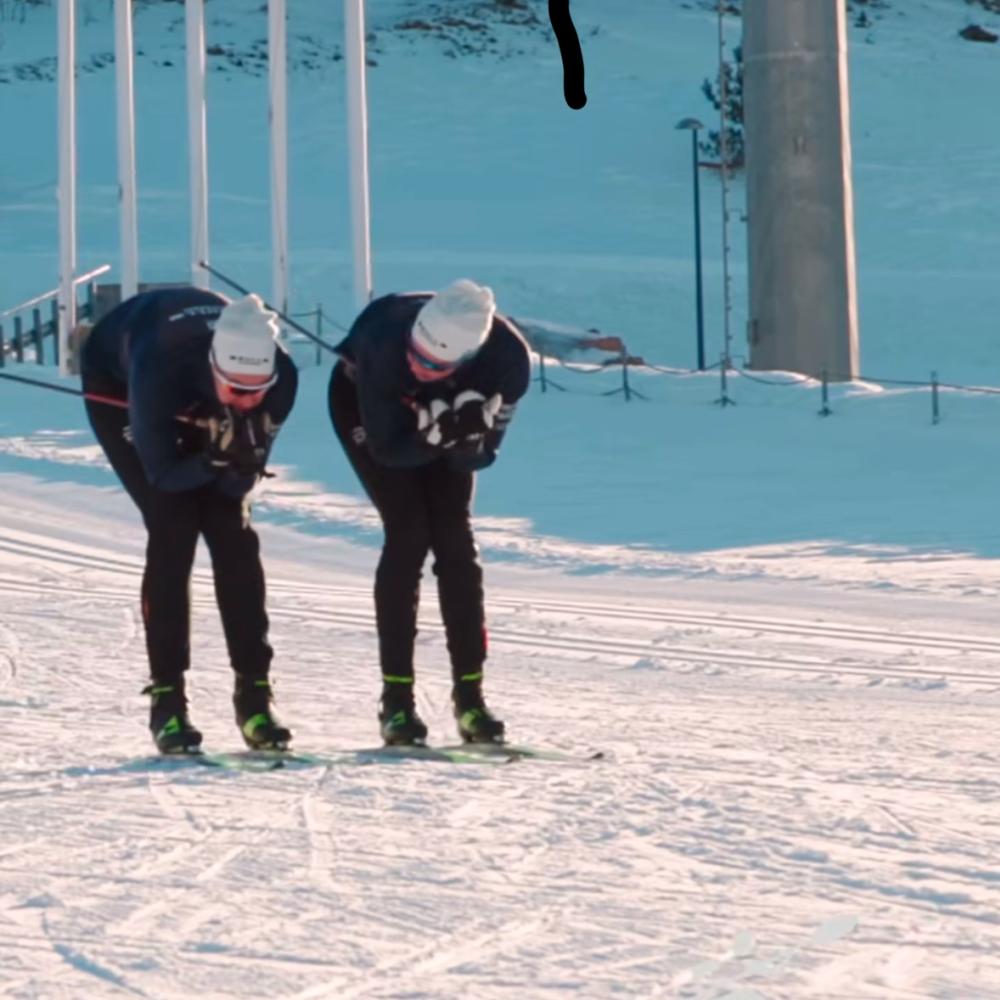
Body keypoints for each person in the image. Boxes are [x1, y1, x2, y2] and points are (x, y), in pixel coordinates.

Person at [79, 287, 298, 754]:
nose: (245, 401)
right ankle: (167, 701)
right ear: (216, 368)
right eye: (236, 390)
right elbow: (163, 472)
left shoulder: (283, 381)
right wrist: (212, 460)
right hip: (118, 378)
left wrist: (235, 462)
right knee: (172, 528)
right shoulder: (160, 367)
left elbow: (237, 488)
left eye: (255, 392)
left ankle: (255, 693)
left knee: (234, 536)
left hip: (189, 381)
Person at [328, 279, 531, 746]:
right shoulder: (383, 340)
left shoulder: (508, 361)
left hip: (442, 417)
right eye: (416, 356)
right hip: (365, 405)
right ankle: (396, 700)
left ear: (467, 358)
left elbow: (481, 459)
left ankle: (471, 697)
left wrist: (463, 436)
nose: (421, 368)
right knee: (408, 533)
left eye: (435, 365)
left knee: (456, 543)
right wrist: (431, 435)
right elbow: (388, 451)